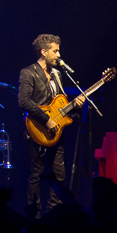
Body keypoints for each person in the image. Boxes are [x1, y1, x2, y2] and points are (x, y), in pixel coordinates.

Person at [18, 34, 83, 218]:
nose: (59, 55)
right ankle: (34, 217)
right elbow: (23, 101)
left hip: (57, 132)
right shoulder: (28, 72)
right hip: (37, 129)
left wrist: (74, 106)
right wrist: (46, 119)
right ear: (43, 52)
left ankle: (54, 213)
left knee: (59, 175)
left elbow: (59, 104)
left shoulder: (57, 74)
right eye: (55, 51)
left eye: (59, 51)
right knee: (36, 174)